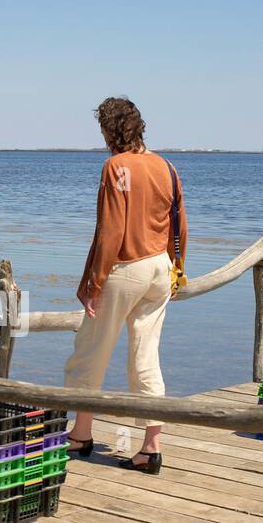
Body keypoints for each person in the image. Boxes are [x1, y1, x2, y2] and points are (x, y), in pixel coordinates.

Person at [63, 97, 186, 475]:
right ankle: (151, 447)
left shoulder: (116, 167)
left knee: (91, 351)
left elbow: (111, 231)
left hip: (125, 267)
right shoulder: (165, 166)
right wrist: (177, 267)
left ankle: (81, 434)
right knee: (146, 356)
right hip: (159, 268)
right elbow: (179, 224)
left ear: (109, 131)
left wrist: (94, 281)